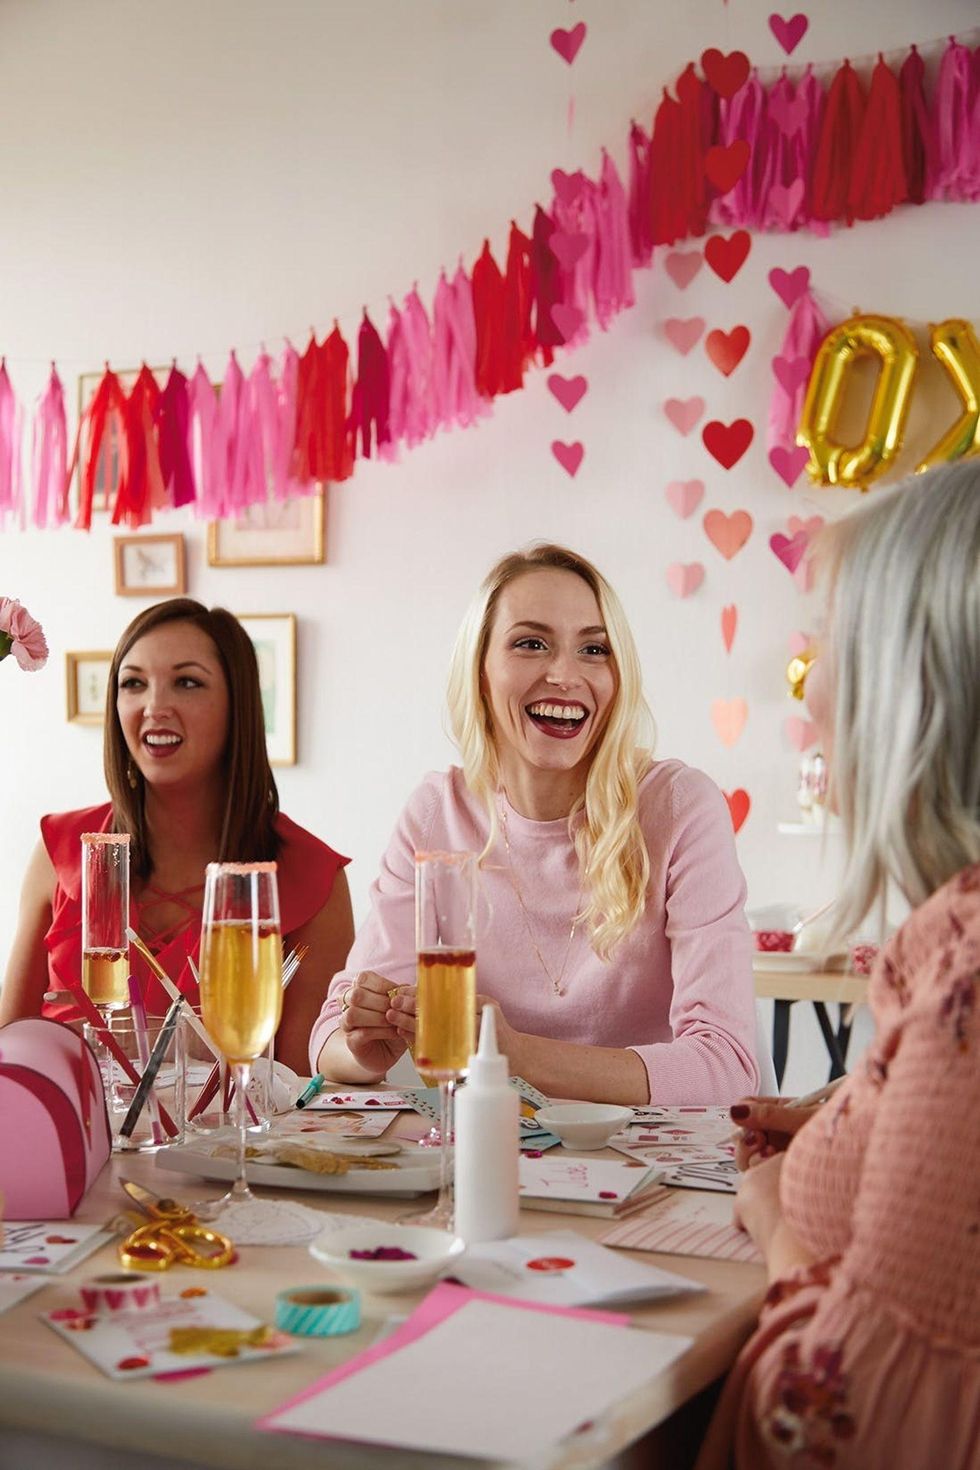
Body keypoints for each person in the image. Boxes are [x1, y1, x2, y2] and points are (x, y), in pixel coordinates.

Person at [697, 463, 980, 1470]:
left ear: (916, 691)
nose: (807, 685)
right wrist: (863, 1109)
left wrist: (774, 1222)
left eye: (829, 643)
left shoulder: (965, 975)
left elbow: (843, 1420)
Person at [311, 543, 758, 1105]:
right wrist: (360, 1047)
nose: (565, 675)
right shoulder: (436, 812)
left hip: (650, 1164)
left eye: (594, 649)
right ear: (480, 669)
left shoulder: (678, 807)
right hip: (492, 1151)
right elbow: (328, 1035)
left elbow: (727, 1067)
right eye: (531, 643)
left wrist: (514, 1056)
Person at [0, 599, 354, 1074]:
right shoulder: (60, 850)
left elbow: (298, 1095)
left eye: (187, 682)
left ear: (238, 705)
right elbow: (11, 1055)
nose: (154, 706)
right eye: (133, 683)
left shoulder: (311, 879)